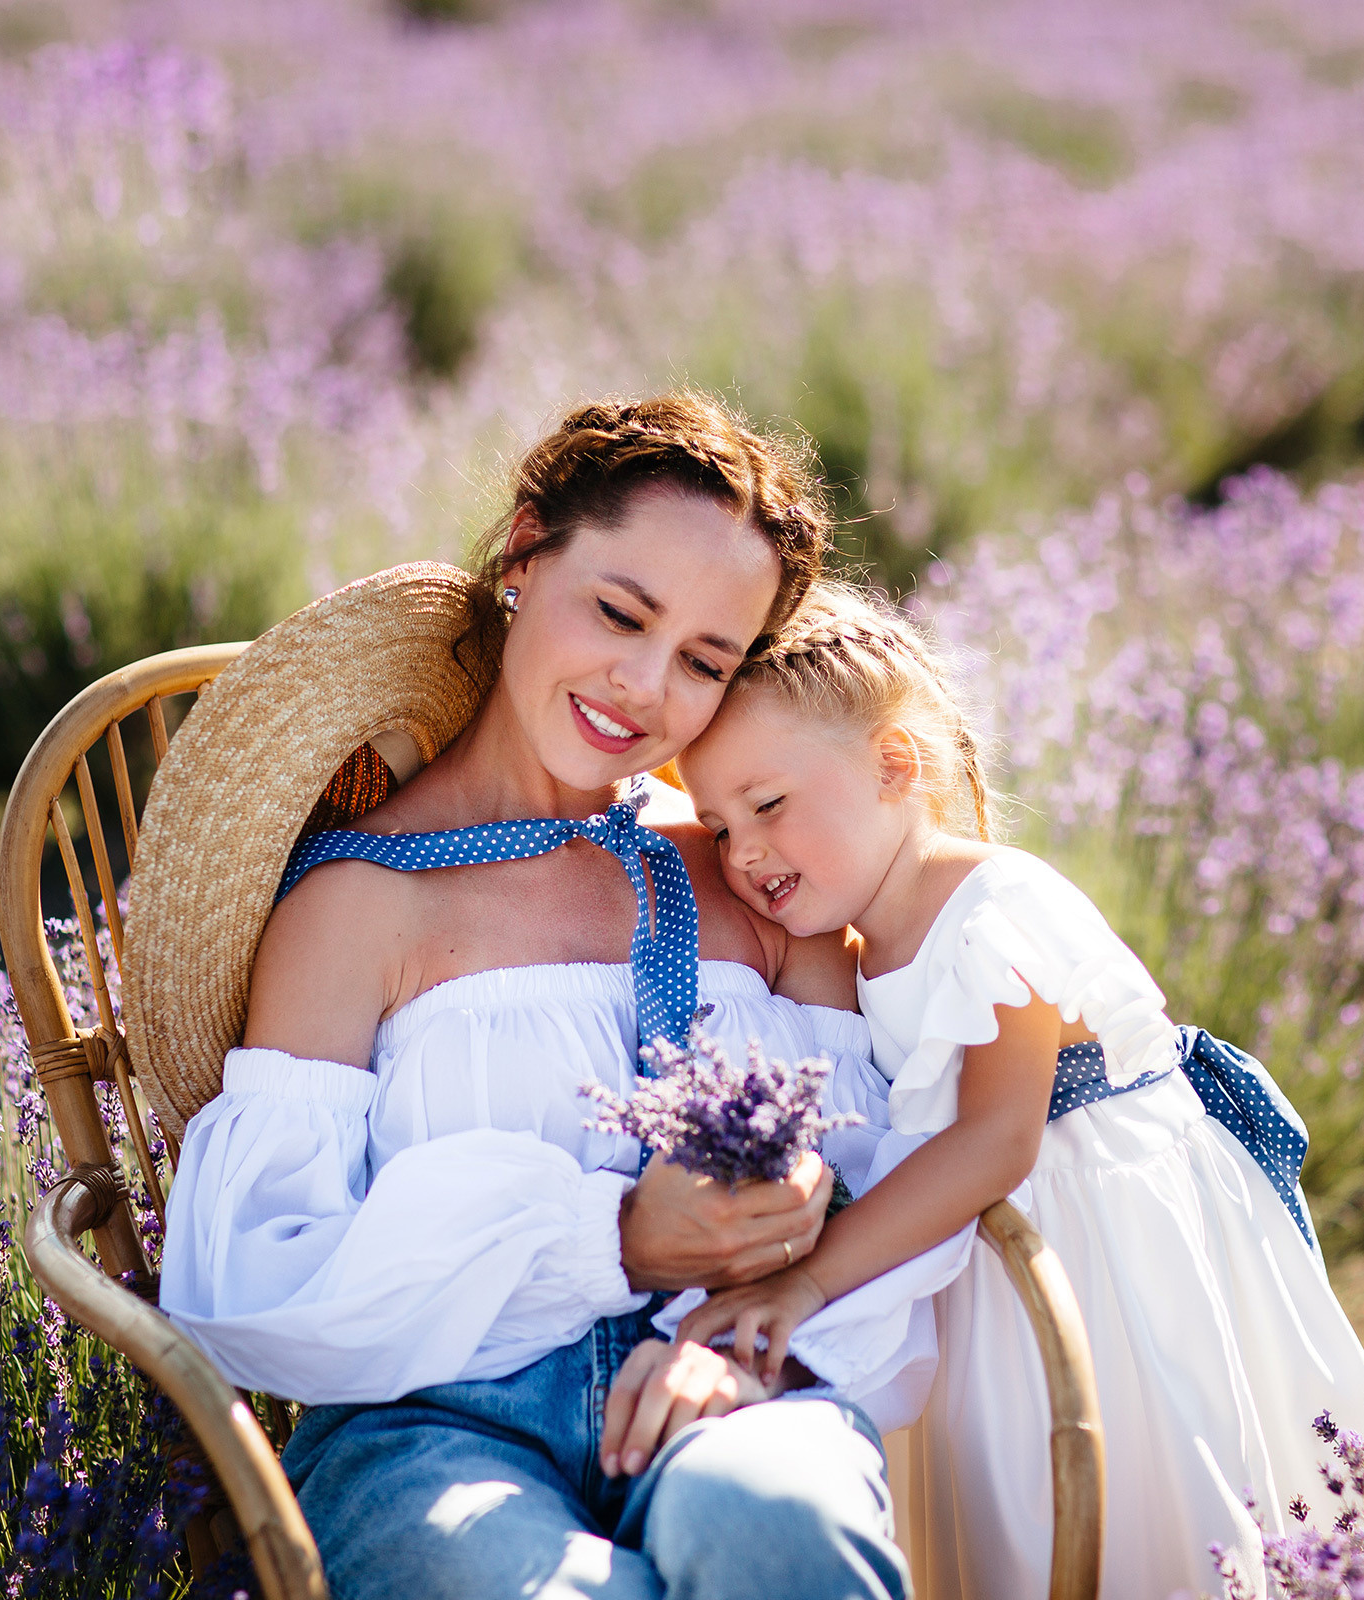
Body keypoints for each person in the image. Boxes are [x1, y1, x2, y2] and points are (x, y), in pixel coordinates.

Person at [154, 394, 934, 1600]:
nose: (642, 685)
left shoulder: (758, 882)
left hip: (731, 1381)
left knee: (780, 1526)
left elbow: (882, 1186)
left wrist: (754, 1338)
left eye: (704, 661)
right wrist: (610, 1239)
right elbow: (257, 1274)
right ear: (525, 552)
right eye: (620, 612)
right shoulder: (360, 905)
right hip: (435, 1428)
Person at [672, 584, 1364, 1600]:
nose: (742, 851)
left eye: (768, 805)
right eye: (717, 824)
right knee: (1016, 1514)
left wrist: (811, 1281)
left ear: (894, 764)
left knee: (1148, 1498)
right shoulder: (859, 950)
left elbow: (996, 1140)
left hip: (1104, 1248)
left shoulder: (992, 911)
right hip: (993, 1265)